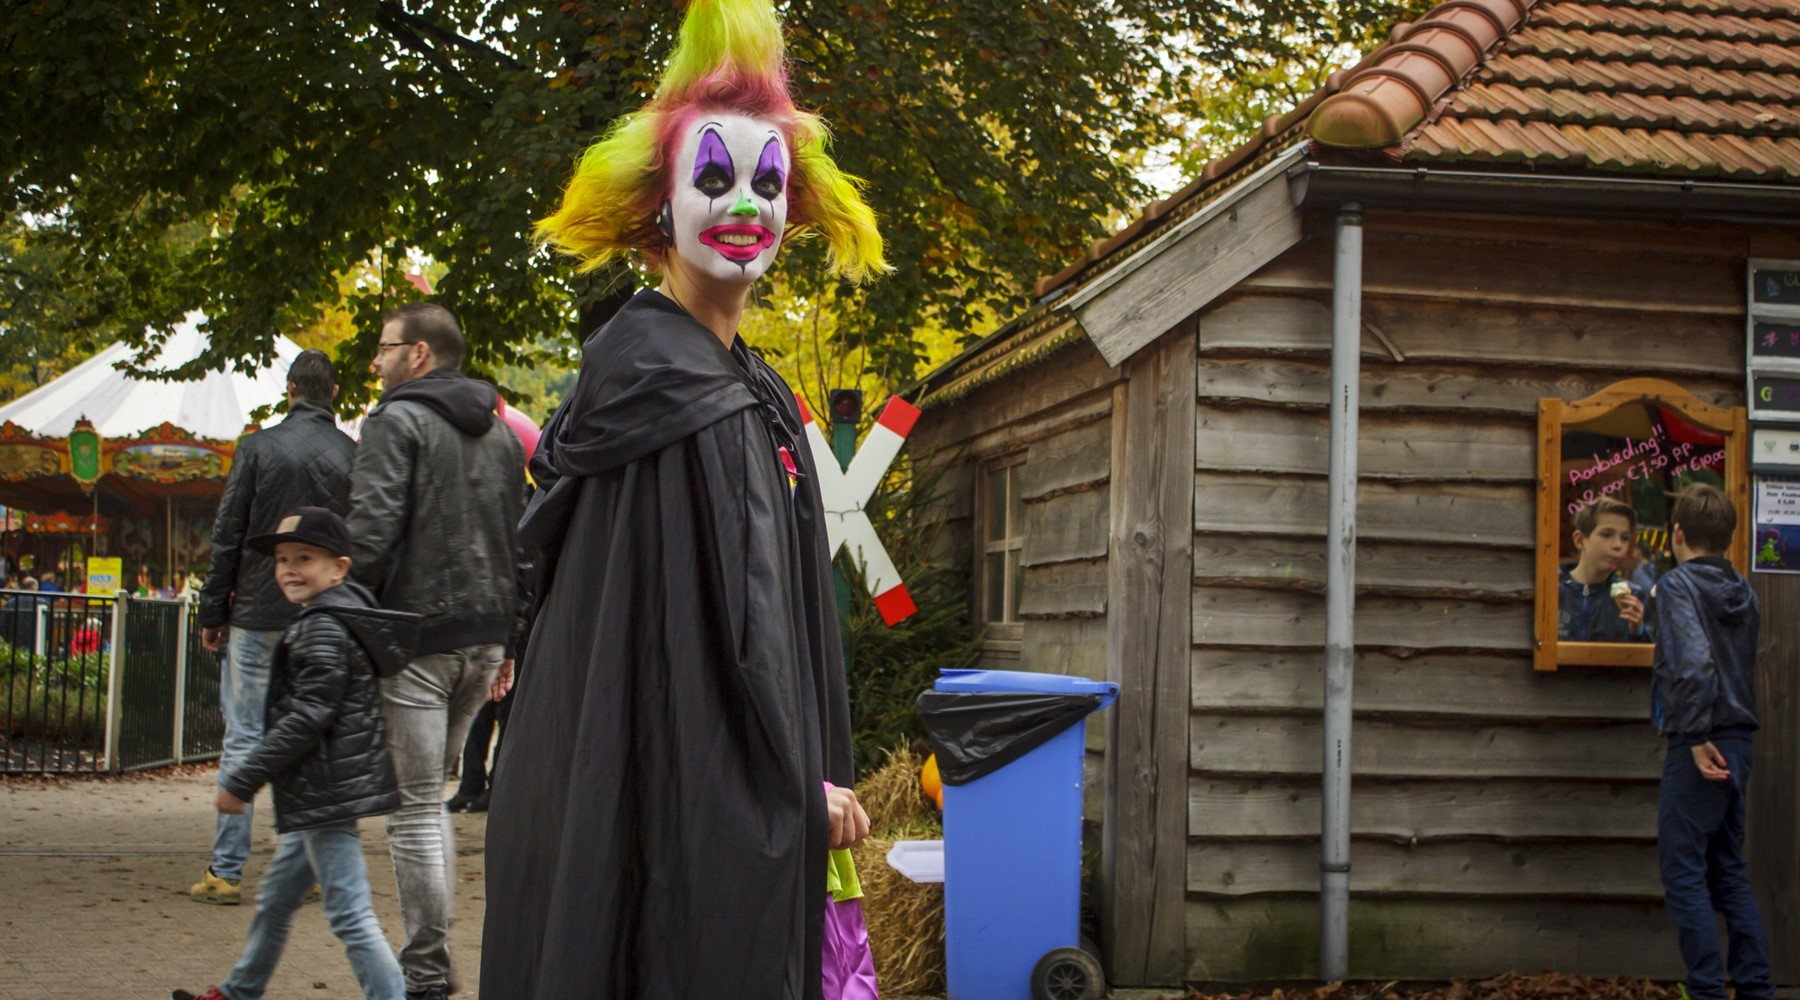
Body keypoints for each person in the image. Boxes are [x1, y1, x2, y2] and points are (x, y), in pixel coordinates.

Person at [480, 1, 882, 995]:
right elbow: (741, 630)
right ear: (659, 207)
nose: (744, 204)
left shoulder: (744, 387)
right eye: (712, 178)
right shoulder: (687, 394)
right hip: (689, 799)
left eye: (767, 181)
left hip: (628, 786)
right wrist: (799, 783)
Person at [350, 301, 524, 1000]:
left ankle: (425, 970)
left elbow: (371, 531)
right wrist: (510, 638)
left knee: (417, 808)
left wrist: (339, 615)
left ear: (418, 355)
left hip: (416, 637)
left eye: (385, 348)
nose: (376, 361)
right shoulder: (504, 437)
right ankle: (430, 957)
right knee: (432, 799)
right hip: (482, 637)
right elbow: (522, 544)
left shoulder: (395, 421)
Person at [172, 507, 413, 1000]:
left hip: (324, 794)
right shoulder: (332, 616)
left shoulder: (323, 626)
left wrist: (242, 780)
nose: (289, 569)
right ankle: (240, 990)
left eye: (304, 557)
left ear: (339, 567)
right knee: (276, 901)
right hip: (319, 791)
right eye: (282, 559)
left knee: (350, 914)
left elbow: (308, 717)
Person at [190, 349, 355, 905]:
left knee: (244, 733)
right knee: (305, 736)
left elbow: (228, 535)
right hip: (320, 618)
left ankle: (225, 870)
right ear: (332, 393)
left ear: (290, 391)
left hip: (257, 615)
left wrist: (215, 612)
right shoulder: (352, 455)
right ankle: (304, 868)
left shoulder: (257, 448)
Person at [1651, 485, 1774, 1000]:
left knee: (1683, 870)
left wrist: (1696, 736)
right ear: (1731, 538)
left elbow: (1697, 664)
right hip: (1740, 742)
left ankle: (1704, 990)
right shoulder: (1745, 591)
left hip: (1701, 742)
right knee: (1728, 870)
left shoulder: (1677, 585)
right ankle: (1755, 990)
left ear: (1677, 534)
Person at [1557, 496, 1650, 642]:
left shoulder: (1635, 597)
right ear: (1580, 540)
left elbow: (1648, 660)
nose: (1618, 545)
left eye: (1624, 538)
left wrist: (1638, 631)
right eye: (1607, 535)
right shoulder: (1551, 590)